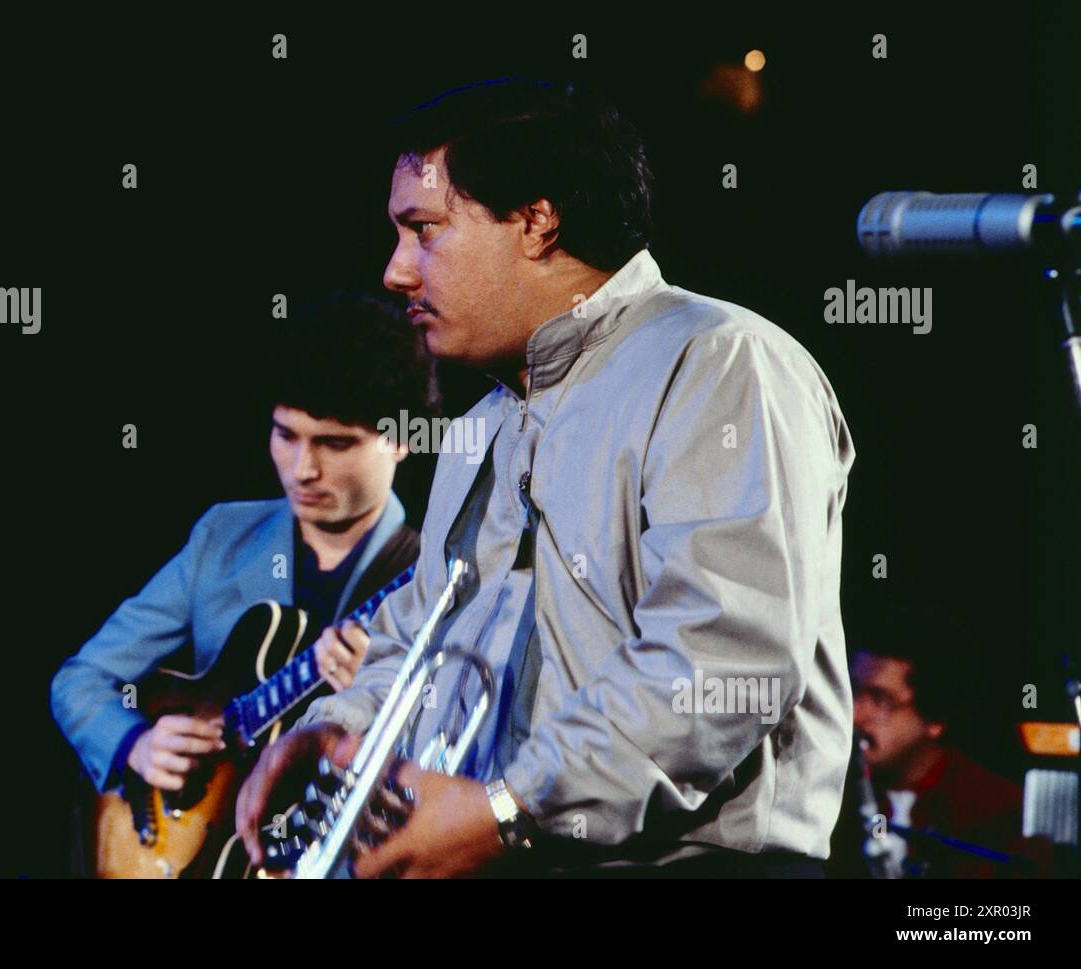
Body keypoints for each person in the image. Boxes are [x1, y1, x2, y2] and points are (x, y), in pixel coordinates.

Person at [236, 78, 857, 878]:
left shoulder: (720, 361)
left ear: (537, 220)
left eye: (422, 230)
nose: (395, 271)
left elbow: (721, 659)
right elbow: (424, 634)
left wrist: (510, 805)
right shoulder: (480, 429)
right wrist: (334, 724)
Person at [51, 291, 439, 796]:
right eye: (286, 435)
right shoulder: (224, 536)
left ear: (401, 438)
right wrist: (135, 745)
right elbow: (81, 680)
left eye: (335, 443)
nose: (303, 470)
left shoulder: (433, 576)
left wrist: (378, 696)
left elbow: (455, 768)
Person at [829, 602, 1032, 878]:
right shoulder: (832, 798)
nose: (855, 714)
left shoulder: (999, 813)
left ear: (935, 717)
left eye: (880, 699)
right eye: (853, 690)